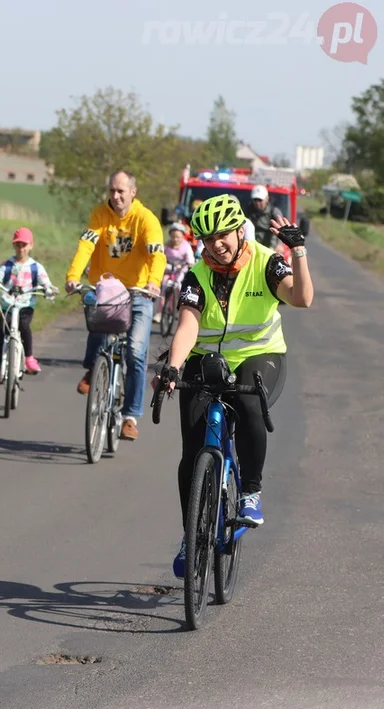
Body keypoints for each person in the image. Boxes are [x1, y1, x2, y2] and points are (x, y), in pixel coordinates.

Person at [154, 193, 313, 578]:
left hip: (262, 355)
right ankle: (190, 535)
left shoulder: (267, 262)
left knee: (249, 403)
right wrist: (174, 368)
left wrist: (298, 253)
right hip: (206, 358)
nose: (216, 245)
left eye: (223, 235)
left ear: (240, 230)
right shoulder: (198, 273)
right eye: (208, 239)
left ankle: (250, 493)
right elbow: (189, 323)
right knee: (192, 450)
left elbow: (302, 298)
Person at [65, 170, 166, 441]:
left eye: (121, 191)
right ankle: (92, 368)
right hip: (106, 291)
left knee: (135, 351)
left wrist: (154, 282)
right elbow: (86, 244)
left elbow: (157, 254)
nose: (116, 196)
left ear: (133, 192)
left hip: (139, 292)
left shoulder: (146, 219)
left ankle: (130, 416)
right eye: (112, 191)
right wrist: (73, 276)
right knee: (96, 325)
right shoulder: (100, 215)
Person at [0, 227, 58, 392]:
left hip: (25, 306)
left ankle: (29, 358)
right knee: (2, 336)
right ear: (13, 246)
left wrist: (48, 289)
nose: (21, 248)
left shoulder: (36, 267)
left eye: (24, 245)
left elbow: (45, 282)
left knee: (24, 328)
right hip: (7, 305)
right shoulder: (7, 266)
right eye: (18, 245)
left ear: (31, 245)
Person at [154, 223, 196, 323]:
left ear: (182, 236)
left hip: (180, 270)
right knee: (163, 288)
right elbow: (160, 257)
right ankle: (159, 313)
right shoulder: (166, 246)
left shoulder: (186, 246)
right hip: (168, 269)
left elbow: (190, 259)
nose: (175, 239)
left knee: (178, 287)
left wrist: (190, 264)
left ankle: (176, 310)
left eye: (178, 237)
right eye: (173, 236)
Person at [246, 185, 284, 250]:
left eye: (260, 200)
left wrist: (279, 245)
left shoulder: (274, 212)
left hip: (270, 249)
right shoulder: (246, 211)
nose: (257, 203)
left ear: (267, 198)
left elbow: (282, 230)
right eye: (255, 200)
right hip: (251, 248)